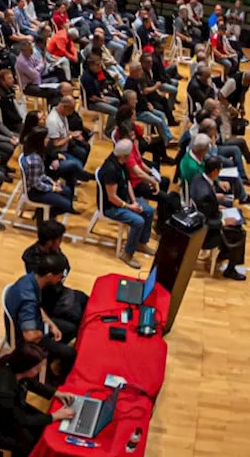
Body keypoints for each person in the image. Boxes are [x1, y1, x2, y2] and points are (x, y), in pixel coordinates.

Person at [0, 343, 73, 457]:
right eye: (37, 368)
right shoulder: (4, 391)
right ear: (25, 367)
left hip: (9, 410)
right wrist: (54, 416)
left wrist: (56, 393)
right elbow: (20, 419)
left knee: (43, 426)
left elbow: (29, 381)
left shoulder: (12, 367)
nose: (39, 370)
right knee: (30, 443)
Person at [5, 252, 77, 384]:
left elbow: (37, 307)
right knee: (70, 353)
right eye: (59, 276)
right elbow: (29, 336)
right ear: (50, 276)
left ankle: (49, 355)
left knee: (71, 329)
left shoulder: (30, 280)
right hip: (23, 338)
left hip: (33, 323)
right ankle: (55, 382)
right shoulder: (28, 299)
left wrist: (50, 323)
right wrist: (44, 332)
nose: (60, 279)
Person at [20, 219, 87, 342]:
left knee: (84, 299)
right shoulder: (34, 259)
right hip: (47, 300)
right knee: (76, 319)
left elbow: (66, 266)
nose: (61, 243)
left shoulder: (53, 250)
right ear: (50, 242)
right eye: (59, 240)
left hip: (58, 292)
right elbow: (47, 287)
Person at [98, 139, 157, 268]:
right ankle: (127, 254)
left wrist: (134, 201)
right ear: (125, 155)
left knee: (149, 211)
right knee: (138, 221)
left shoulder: (121, 161)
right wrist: (129, 206)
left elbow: (127, 182)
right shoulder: (110, 169)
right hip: (112, 207)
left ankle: (141, 243)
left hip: (125, 199)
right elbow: (112, 197)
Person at [189, 155, 247, 280]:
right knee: (239, 232)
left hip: (210, 215)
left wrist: (216, 206)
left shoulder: (198, 177)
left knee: (235, 223)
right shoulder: (205, 194)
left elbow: (205, 208)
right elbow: (206, 221)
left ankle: (224, 254)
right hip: (206, 234)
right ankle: (230, 269)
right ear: (214, 171)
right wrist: (223, 222)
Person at [18, 129, 75, 219]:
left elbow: (42, 175)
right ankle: (43, 215)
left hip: (40, 184)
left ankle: (43, 213)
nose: (48, 140)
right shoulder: (34, 160)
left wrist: (52, 182)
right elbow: (36, 184)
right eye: (46, 138)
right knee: (67, 205)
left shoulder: (37, 153)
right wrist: (52, 188)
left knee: (67, 191)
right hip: (34, 192)